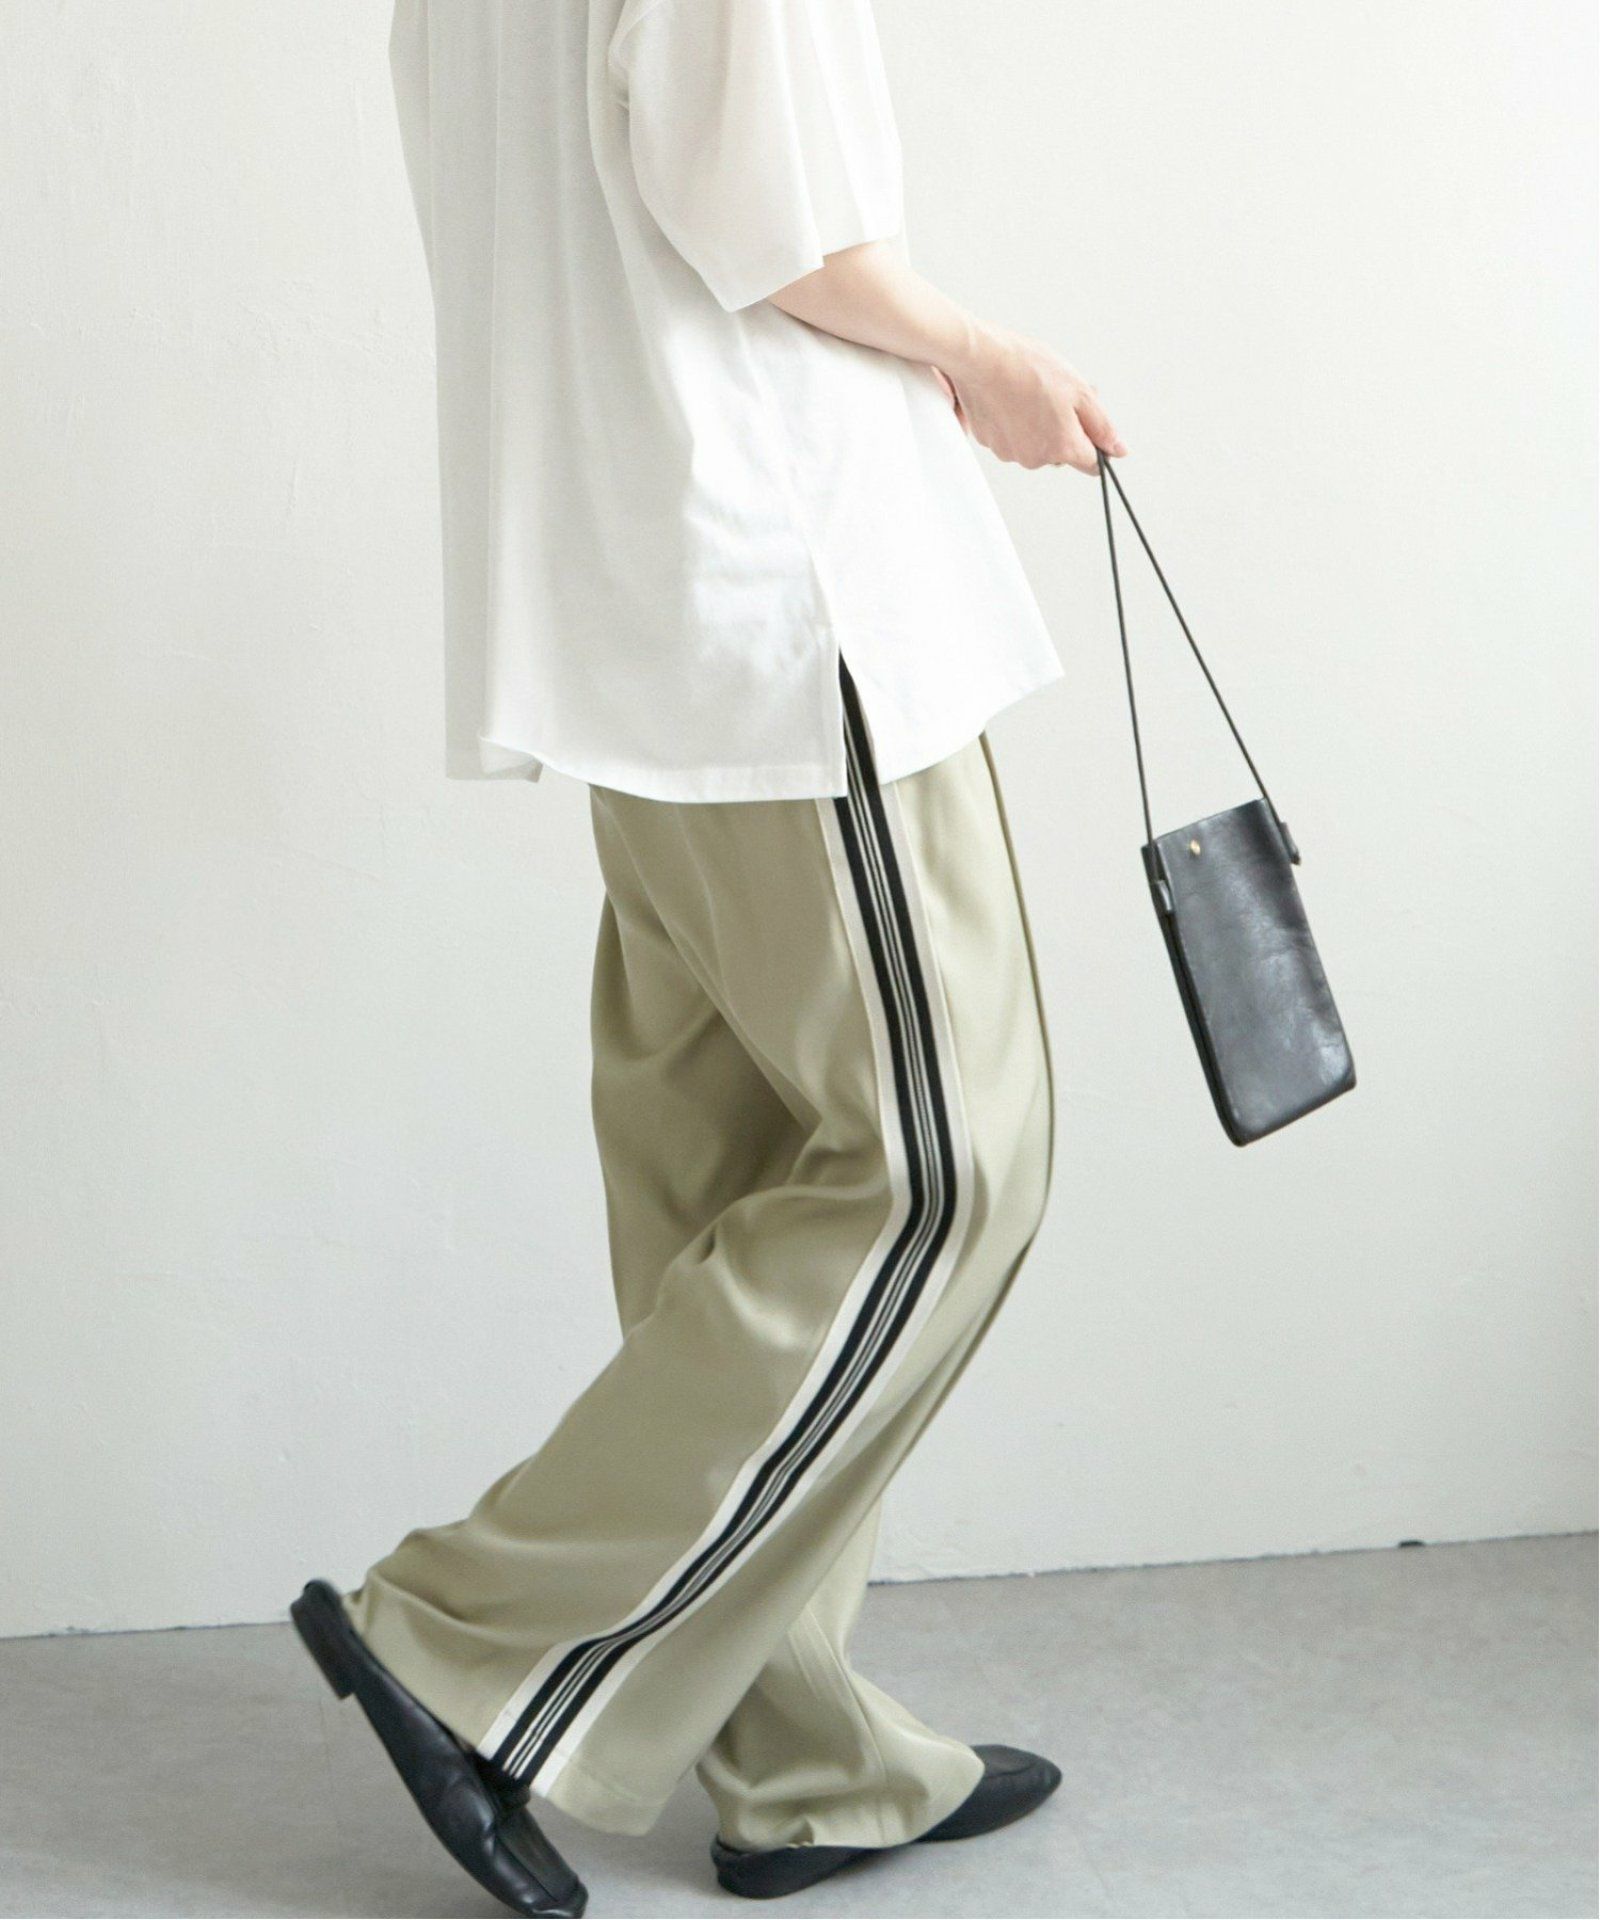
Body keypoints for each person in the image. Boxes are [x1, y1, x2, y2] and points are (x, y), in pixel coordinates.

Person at [292, 2, 1125, 1914]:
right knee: (943, 1167)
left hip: (627, 603)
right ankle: (464, 1644)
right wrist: (985, 359)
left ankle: (802, 1756)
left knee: (731, 1188)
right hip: (787, 602)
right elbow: (785, 230)